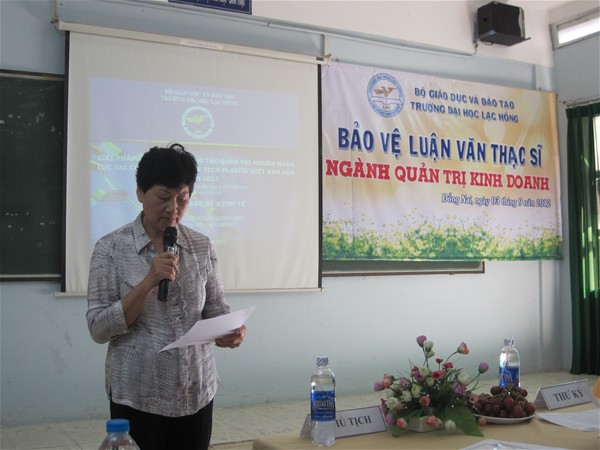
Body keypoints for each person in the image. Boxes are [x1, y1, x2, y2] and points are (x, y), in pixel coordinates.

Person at [87, 143, 246, 450]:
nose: (173, 208)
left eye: (182, 198)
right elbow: (98, 328)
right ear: (140, 193)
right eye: (163, 197)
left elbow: (216, 308)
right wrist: (149, 281)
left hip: (196, 391)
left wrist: (230, 331)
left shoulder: (201, 246)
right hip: (138, 396)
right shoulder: (111, 249)